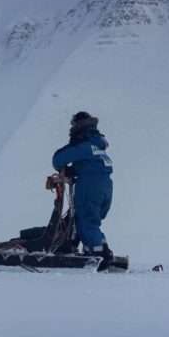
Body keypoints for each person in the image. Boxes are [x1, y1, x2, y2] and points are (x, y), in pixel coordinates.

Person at [52, 111, 114, 270]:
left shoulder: (84, 143)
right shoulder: (97, 145)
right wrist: (75, 171)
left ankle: (99, 254)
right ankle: (90, 246)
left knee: (86, 219)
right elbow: (92, 164)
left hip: (90, 185)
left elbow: (58, 158)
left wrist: (64, 168)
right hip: (105, 186)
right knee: (86, 219)